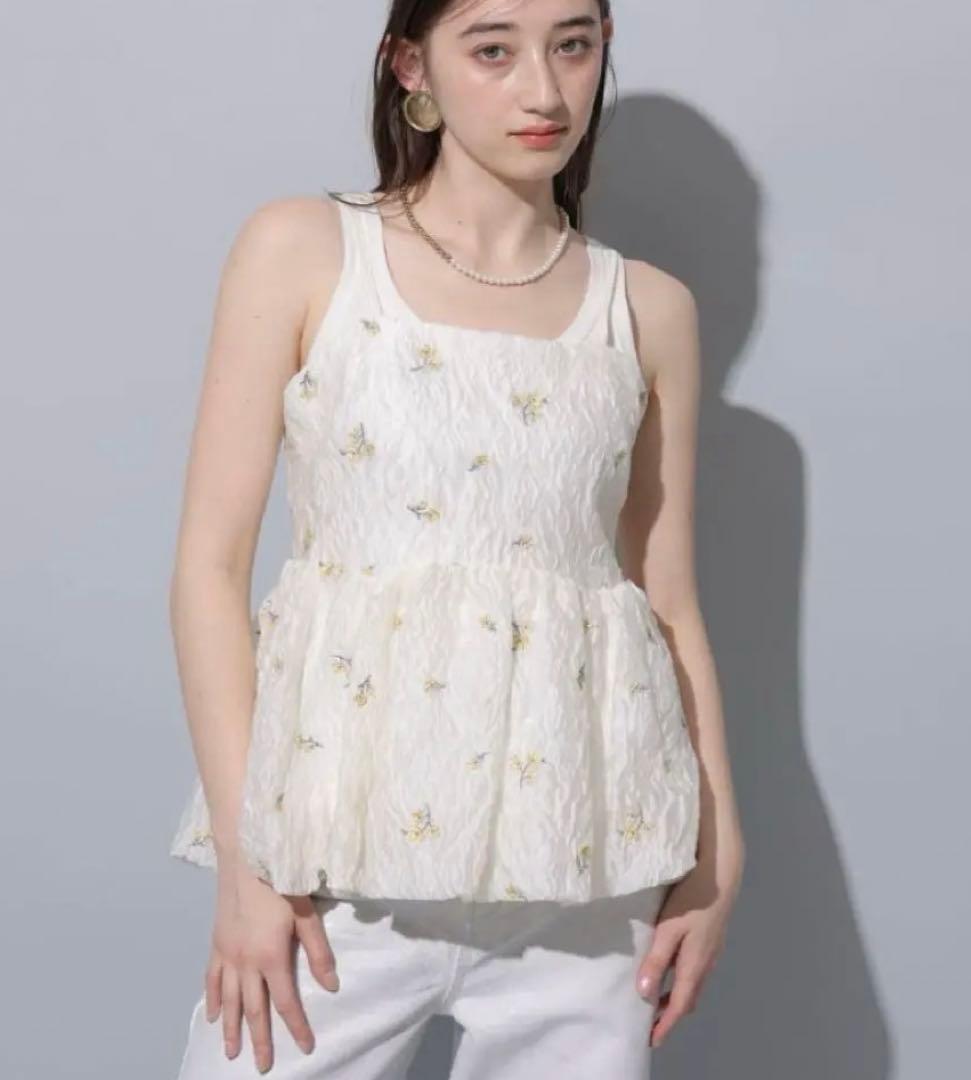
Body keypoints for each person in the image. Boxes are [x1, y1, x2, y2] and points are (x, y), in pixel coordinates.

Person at [167, 1, 745, 1076]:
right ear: (410, 66)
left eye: (573, 45)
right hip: (334, 859)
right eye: (493, 49)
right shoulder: (304, 250)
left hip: (586, 864)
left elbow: (666, 600)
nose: (544, 89)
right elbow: (209, 569)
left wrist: (720, 851)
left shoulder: (647, 309)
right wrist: (250, 866)